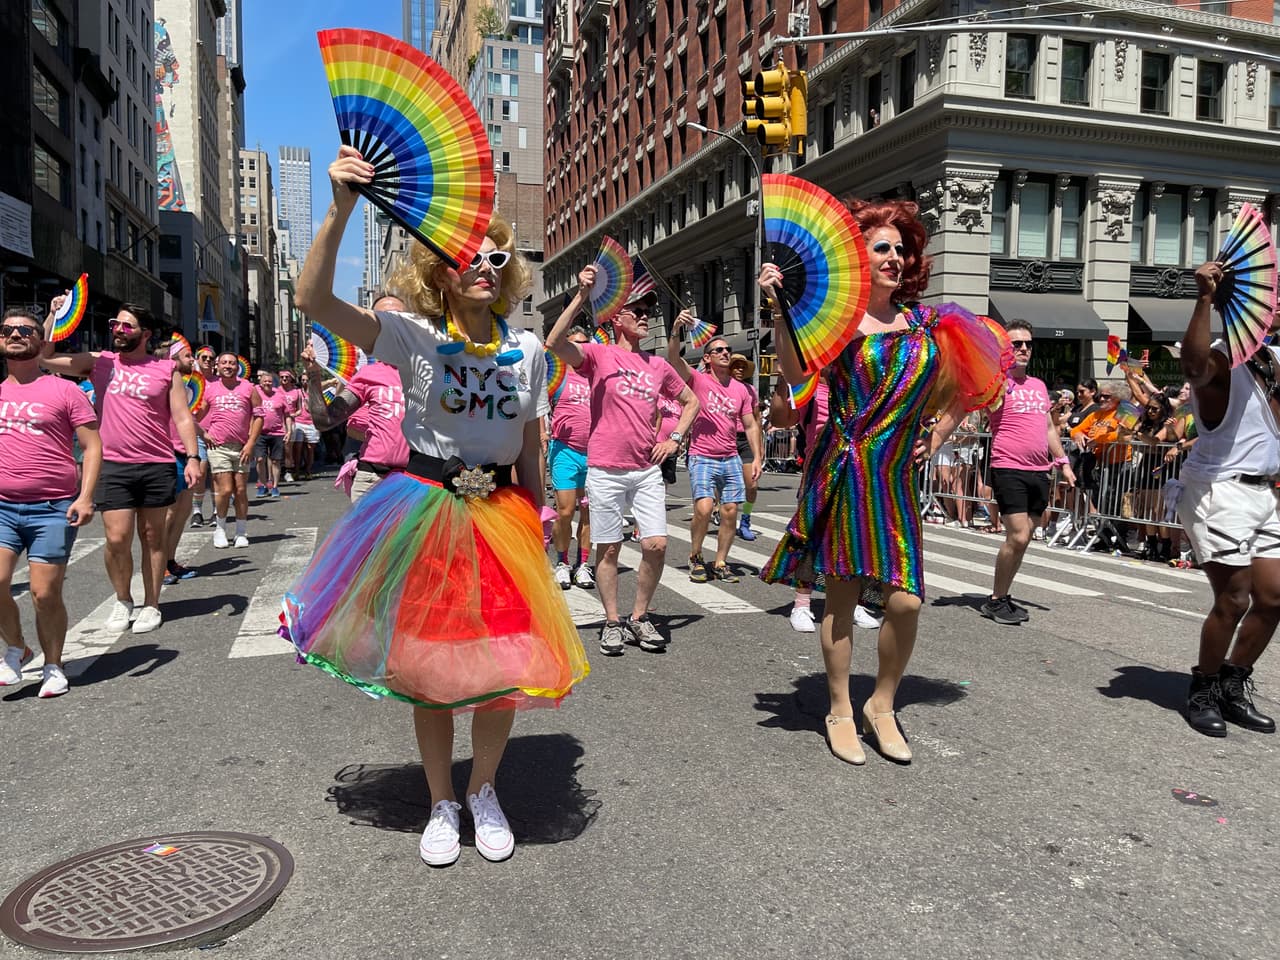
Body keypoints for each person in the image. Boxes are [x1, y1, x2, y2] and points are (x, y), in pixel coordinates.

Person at [286, 145, 588, 867]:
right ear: (440, 275)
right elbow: (313, 303)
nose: (482, 267)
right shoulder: (413, 337)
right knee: (433, 671)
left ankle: (484, 789)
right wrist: (340, 206)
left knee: (500, 671)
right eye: (466, 259)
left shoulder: (528, 351)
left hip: (504, 519)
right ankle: (440, 801)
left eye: (494, 259)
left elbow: (526, 446)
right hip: (426, 511)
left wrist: (541, 522)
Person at [758, 198, 1008, 766]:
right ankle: (841, 709)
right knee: (841, 602)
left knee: (908, 601)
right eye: (882, 248)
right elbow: (796, 384)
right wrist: (778, 310)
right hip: (846, 472)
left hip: (894, 479)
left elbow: (973, 382)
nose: (896, 257)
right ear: (857, 258)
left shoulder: (929, 324)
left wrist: (940, 432)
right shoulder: (833, 326)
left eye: (901, 248)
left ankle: (883, 704)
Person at [547, 278, 698, 657]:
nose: (647, 317)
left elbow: (691, 401)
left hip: (645, 467)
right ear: (618, 319)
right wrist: (581, 296)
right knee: (609, 548)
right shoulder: (599, 356)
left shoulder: (658, 365)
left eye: (650, 312)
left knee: (657, 544)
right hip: (605, 467)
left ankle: (639, 616)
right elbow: (554, 342)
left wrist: (674, 439)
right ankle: (613, 622)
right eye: (639, 312)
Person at [39, 301, 200, 635]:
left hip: (156, 463)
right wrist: (55, 315)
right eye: (115, 324)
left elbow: (182, 416)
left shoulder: (165, 369)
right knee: (116, 539)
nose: (118, 330)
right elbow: (45, 356)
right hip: (112, 465)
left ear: (146, 334)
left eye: (127, 326)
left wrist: (193, 457)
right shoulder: (100, 363)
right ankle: (124, 599)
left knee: (153, 537)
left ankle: (152, 604)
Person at [1173, 260, 1278, 738]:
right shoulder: (1221, 358)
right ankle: (1204, 690)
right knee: (1233, 598)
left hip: (1265, 491)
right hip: (1220, 489)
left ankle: (1234, 685)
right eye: (1271, 296)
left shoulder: (1272, 360)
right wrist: (1204, 298)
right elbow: (1193, 368)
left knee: (1275, 597)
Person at [0, 308, 101, 697]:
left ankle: (54, 665)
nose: (15, 334)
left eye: (25, 330)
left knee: (45, 594)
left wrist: (86, 496)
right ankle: (16, 648)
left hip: (52, 507)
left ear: (40, 342)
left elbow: (92, 447)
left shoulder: (65, 390)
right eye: (7, 330)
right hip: (4, 507)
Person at [769, 373, 884, 634]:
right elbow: (781, 419)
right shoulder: (812, 385)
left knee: (857, 541)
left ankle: (855, 602)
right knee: (811, 540)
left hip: (859, 474)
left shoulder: (862, 382)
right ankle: (801, 604)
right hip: (819, 473)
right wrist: (781, 382)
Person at [980, 320, 1076, 625]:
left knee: (1025, 537)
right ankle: (995, 599)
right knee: (1018, 536)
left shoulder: (1037, 386)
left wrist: (1063, 463)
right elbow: (968, 400)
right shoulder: (996, 382)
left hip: (1039, 470)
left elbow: (1048, 428)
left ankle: (1004, 596)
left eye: (1028, 344)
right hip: (1008, 466)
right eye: (1016, 344)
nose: (1023, 349)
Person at [666, 324, 762, 582]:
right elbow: (673, 359)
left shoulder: (741, 389)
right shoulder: (698, 379)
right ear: (707, 358)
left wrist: (757, 458)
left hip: (730, 456)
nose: (725, 353)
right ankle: (696, 555)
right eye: (718, 350)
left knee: (730, 510)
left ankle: (720, 561)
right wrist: (676, 331)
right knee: (705, 508)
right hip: (702, 455)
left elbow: (751, 424)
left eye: (728, 350)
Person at [301, 341, 408, 503]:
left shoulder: (433, 373)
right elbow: (324, 421)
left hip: (415, 482)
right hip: (372, 479)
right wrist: (313, 374)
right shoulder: (370, 374)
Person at [544, 327, 595, 589]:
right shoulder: (558, 376)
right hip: (564, 451)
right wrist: (542, 432)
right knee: (565, 511)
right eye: (575, 344)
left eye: (585, 344)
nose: (580, 348)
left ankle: (583, 565)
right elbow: (539, 405)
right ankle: (562, 562)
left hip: (595, 454)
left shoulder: (596, 377)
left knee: (588, 513)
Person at [199, 353, 263, 549]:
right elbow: (195, 414)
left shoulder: (248, 388)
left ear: (238, 367)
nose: (228, 366)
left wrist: (251, 443)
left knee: (241, 490)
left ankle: (241, 532)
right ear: (217, 366)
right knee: (225, 490)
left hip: (242, 447)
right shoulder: (209, 388)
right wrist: (203, 434)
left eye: (232, 363)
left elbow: (259, 416)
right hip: (218, 446)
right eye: (224, 363)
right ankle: (220, 529)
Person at [157, 336, 200, 584]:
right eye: (187, 355)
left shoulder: (187, 384)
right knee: (169, 514)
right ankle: (159, 563)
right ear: (171, 359)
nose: (192, 359)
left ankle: (170, 561)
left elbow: (188, 420)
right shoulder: (163, 383)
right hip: (167, 452)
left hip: (187, 452)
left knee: (182, 511)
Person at [729, 353, 763, 541]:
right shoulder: (721, 387)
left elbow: (756, 419)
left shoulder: (751, 390)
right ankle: (722, 513)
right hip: (726, 440)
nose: (740, 369)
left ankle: (745, 521)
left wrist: (760, 447)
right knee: (725, 482)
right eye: (736, 365)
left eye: (743, 366)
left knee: (752, 484)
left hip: (746, 440)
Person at [253, 369, 292, 498]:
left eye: (269, 381)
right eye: (265, 381)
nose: (267, 383)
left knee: (275, 461)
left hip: (277, 432)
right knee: (259, 459)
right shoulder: (255, 393)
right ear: (260, 382)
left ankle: (274, 486)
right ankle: (263, 485)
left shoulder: (279, 395)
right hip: (259, 432)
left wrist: (289, 431)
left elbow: (287, 415)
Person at [189, 345, 216, 525]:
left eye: (210, 358)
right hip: (197, 434)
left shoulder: (221, 381)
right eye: (204, 358)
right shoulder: (190, 381)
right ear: (197, 359)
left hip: (219, 435)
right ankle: (197, 511)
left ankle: (216, 511)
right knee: (200, 473)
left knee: (218, 476)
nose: (207, 361)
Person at [277, 367, 303, 483]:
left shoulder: (296, 392)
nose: (284, 379)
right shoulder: (276, 391)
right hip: (277, 423)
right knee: (277, 448)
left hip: (290, 423)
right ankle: (278, 470)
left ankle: (288, 471)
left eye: (286, 377)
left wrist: (293, 414)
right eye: (282, 377)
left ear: (290, 378)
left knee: (288, 448)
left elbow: (300, 410)